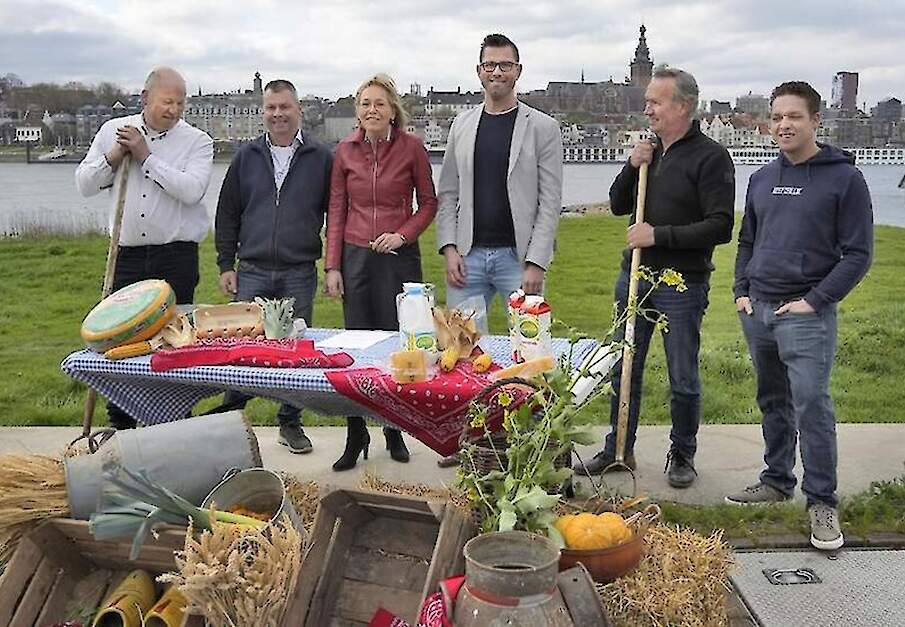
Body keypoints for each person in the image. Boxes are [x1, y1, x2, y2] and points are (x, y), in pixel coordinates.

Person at [726, 81, 873, 551]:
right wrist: (741, 291)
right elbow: (748, 239)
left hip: (806, 315)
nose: (784, 124)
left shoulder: (844, 179)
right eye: (777, 117)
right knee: (773, 399)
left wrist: (815, 300)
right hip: (759, 309)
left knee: (811, 405)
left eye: (794, 116)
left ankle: (822, 502)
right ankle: (775, 479)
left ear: (816, 121)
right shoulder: (762, 178)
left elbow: (858, 254)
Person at [577, 65, 735, 488]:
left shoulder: (711, 157)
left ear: (682, 106)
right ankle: (618, 448)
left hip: (682, 285)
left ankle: (682, 453)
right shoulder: (649, 151)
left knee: (682, 375)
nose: (647, 109)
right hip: (634, 278)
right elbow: (616, 204)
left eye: (655, 101)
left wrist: (656, 234)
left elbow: (721, 226)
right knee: (624, 367)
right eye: (647, 101)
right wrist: (632, 165)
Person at [435, 33, 563, 466]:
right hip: (468, 257)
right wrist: (449, 248)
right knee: (463, 353)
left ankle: (530, 438)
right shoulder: (462, 126)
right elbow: (448, 192)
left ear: (518, 72)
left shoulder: (543, 128)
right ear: (478, 72)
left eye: (505, 65)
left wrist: (536, 261)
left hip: (516, 258)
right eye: (489, 65)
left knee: (527, 357)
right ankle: (467, 439)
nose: (496, 72)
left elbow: (550, 201)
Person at [75, 66, 214, 430]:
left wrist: (146, 156)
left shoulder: (197, 141)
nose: (174, 109)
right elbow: (84, 184)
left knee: (175, 341)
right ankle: (121, 423)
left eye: (180, 103)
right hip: (127, 257)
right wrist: (114, 158)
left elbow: (191, 190)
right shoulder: (113, 131)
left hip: (176, 256)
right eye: (167, 102)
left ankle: (172, 424)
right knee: (120, 342)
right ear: (145, 98)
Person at [324, 73, 438, 471]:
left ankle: (394, 428)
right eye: (365, 104)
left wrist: (402, 235)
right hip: (355, 255)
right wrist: (332, 266)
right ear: (357, 111)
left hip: (398, 258)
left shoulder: (412, 149)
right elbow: (336, 209)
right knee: (356, 349)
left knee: (396, 346)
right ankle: (356, 433)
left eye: (380, 104)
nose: (372, 110)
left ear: (393, 111)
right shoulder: (344, 152)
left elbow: (427, 203)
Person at [214, 79, 333, 454]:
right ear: (263, 111)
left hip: (299, 269)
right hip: (251, 268)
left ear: (298, 110)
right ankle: (230, 421)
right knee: (243, 346)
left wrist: (333, 265)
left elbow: (337, 212)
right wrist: (225, 263)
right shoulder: (246, 157)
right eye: (271, 108)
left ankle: (290, 421)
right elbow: (227, 213)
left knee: (294, 348)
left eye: (285, 107)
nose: (278, 114)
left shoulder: (320, 157)